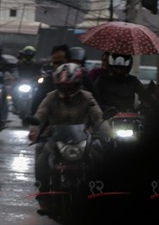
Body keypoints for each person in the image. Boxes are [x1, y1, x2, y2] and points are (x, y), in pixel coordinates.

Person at [28, 62, 106, 215]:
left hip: (82, 138)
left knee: (100, 154)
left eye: (71, 85)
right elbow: (40, 114)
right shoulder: (51, 97)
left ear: (78, 84)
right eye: (64, 86)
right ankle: (43, 195)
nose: (67, 89)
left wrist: (109, 133)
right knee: (41, 156)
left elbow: (99, 117)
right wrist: (34, 130)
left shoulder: (87, 97)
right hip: (55, 137)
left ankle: (99, 192)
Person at [28, 44, 70, 119]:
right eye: (54, 63)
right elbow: (37, 103)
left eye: (60, 63)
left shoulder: (82, 80)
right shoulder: (47, 82)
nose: (56, 66)